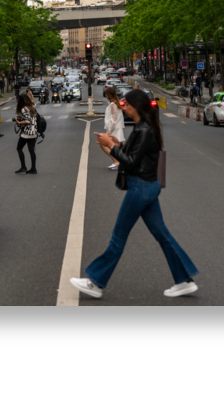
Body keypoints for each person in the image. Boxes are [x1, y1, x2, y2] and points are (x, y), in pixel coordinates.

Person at [71, 88, 199, 300]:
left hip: (140, 188)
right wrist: (115, 142)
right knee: (162, 235)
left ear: (136, 106)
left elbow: (129, 161)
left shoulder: (144, 130)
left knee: (118, 236)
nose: (125, 108)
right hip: (148, 186)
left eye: (127, 105)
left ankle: (95, 281)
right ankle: (184, 280)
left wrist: (111, 148)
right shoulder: (144, 127)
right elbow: (133, 153)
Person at [100, 87, 125, 170]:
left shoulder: (113, 104)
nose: (106, 95)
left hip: (114, 130)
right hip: (116, 129)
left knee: (104, 144)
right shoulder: (115, 103)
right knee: (121, 147)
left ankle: (116, 161)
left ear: (109, 95)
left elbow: (114, 117)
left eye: (106, 94)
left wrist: (109, 130)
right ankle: (127, 162)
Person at [13, 95, 39, 174]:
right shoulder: (32, 107)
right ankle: (33, 168)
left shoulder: (24, 109)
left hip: (27, 133)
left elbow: (27, 121)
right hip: (34, 132)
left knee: (19, 148)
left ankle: (23, 167)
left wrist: (19, 122)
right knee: (31, 150)